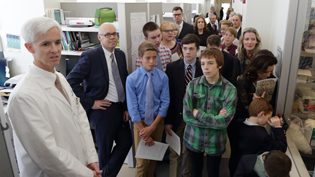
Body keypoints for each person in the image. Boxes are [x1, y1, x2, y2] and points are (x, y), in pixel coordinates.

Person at [8, 17, 100, 177]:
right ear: (29, 48)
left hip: (78, 166)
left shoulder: (60, 78)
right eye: (45, 44)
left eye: (57, 42)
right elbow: (47, 154)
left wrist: (90, 158)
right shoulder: (23, 96)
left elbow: (80, 118)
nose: (55, 49)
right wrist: (85, 174)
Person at [67, 23, 132, 177]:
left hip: (118, 108)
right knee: (104, 150)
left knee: (126, 142)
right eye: (108, 35)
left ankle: (104, 175)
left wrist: (125, 107)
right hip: (102, 110)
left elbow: (123, 81)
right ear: (99, 37)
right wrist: (90, 102)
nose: (112, 37)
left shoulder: (120, 55)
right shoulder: (90, 56)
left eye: (114, 34)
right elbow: (70, 80)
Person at [183, 48, 237, 177]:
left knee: (213, 172)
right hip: (194, 138)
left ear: (220, 65)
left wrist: (198, 113)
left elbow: (224, 122)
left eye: (210, 63)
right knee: (195, 171)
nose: (205, 67)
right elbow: (187, 115)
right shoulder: (193, 85)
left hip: (215, 141)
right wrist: (215, 118)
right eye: (202, 63)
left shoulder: (230, 89)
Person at [228, 49, 278, 177]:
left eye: (271, 71)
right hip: (240, 123)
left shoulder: (271, 80)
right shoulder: (244, 80)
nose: (268, 74)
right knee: (237, 155)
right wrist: (254, 103)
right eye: (265, 71)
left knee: (253, 158)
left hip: (258, 125)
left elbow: (272, 104)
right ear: (256, 68)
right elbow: (242, 107)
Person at [126, 41, 170, 177]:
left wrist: (153, 127)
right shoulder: (132, 79)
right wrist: (144, 131)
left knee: (154, 159)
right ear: (140, 58)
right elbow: (132, 107)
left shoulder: (163, 77)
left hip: (157, 122)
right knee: (142, 162)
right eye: (147, 58)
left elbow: (165, 103)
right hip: (140, 124)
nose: (152, 61)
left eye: (154, 57)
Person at [165, 34, 203, 177]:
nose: (187, 52)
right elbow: (168, 96)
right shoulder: (172, 67)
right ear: (181, 49)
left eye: (191, 49)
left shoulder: (203, 67)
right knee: (175, 152)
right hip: (176, 117)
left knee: (189, 152)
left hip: (195, 118)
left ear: (198, 50)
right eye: (185, 48)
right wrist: (167, 121)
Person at [236, 98, 287, 166]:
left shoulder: (236, 123)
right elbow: (281, 148)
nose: (267, 121)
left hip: (235, 164)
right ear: (261, 114)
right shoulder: (262, 135)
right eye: (268, 117)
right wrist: (277, 127)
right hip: (250, 169)